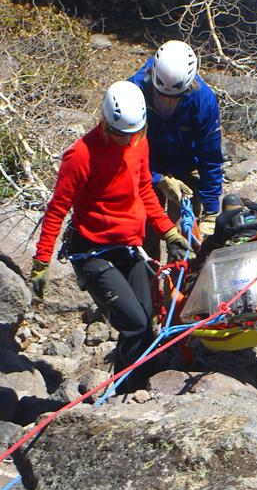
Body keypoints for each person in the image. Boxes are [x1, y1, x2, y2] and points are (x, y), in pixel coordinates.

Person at [30, 81, 191, 393]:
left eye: (132, 134)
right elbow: (57, 209)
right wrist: (41, 260)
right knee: (134, 324)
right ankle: (124, 392)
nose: (125, 140)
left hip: (128, 247)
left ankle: (138, 386)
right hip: (92, 253)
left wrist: (167, 230)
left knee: (147, 323)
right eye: (119, 134)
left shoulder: (138, 143)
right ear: (105, 121)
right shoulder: (80, 156)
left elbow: (144, 189)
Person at [128, 40, 224, 255]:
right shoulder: (133, 93)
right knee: (145, 231)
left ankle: (178, 279)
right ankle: (149, 279)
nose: (169, 102)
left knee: (184, 237)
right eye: (162, 95)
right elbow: (125, 153)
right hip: (146, 166)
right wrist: (157, 178)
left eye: (176, 97)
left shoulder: (203, 100)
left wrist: (211, 208)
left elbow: (209, 154)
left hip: (187, 165)